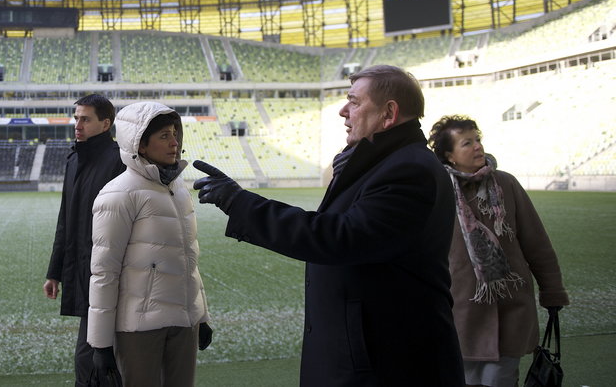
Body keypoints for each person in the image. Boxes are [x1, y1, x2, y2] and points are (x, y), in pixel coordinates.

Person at [193, 64, 463, 387]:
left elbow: (340, 237)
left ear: (389, 113)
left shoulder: (408, 169)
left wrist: (240, 204)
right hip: (373, 357)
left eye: (354, 101)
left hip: (389, 365)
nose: (343, 111)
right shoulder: (384, 162)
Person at [428, 115, 569, 387]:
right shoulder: (437, 191)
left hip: (511, 308)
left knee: (501, 379)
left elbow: (536, 242)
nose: (478, 147)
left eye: (478, 140)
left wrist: (552, 291)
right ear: (449, 155)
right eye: (467, 143)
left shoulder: (507, 184)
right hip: (460, 312)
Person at [87, 101, 212, 387]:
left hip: (184, 324)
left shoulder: (178, 190)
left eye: (175, 134)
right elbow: (104, 273)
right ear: (140, 145)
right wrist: (100, 344)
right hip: (139, 330)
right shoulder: (118, 194)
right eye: (164, 136)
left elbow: (188, 259)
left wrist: (201, 315)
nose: (175, 143)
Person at [44, 94, 126, 387]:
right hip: (84, 274)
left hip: (111, 277)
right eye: (76, 117)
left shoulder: (120, 161)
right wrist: (54, 271)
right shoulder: (73, 158)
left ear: (106, 124)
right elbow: (65, 219)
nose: (77, 124)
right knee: (88, 359)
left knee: (99, 360)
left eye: (85, 119)